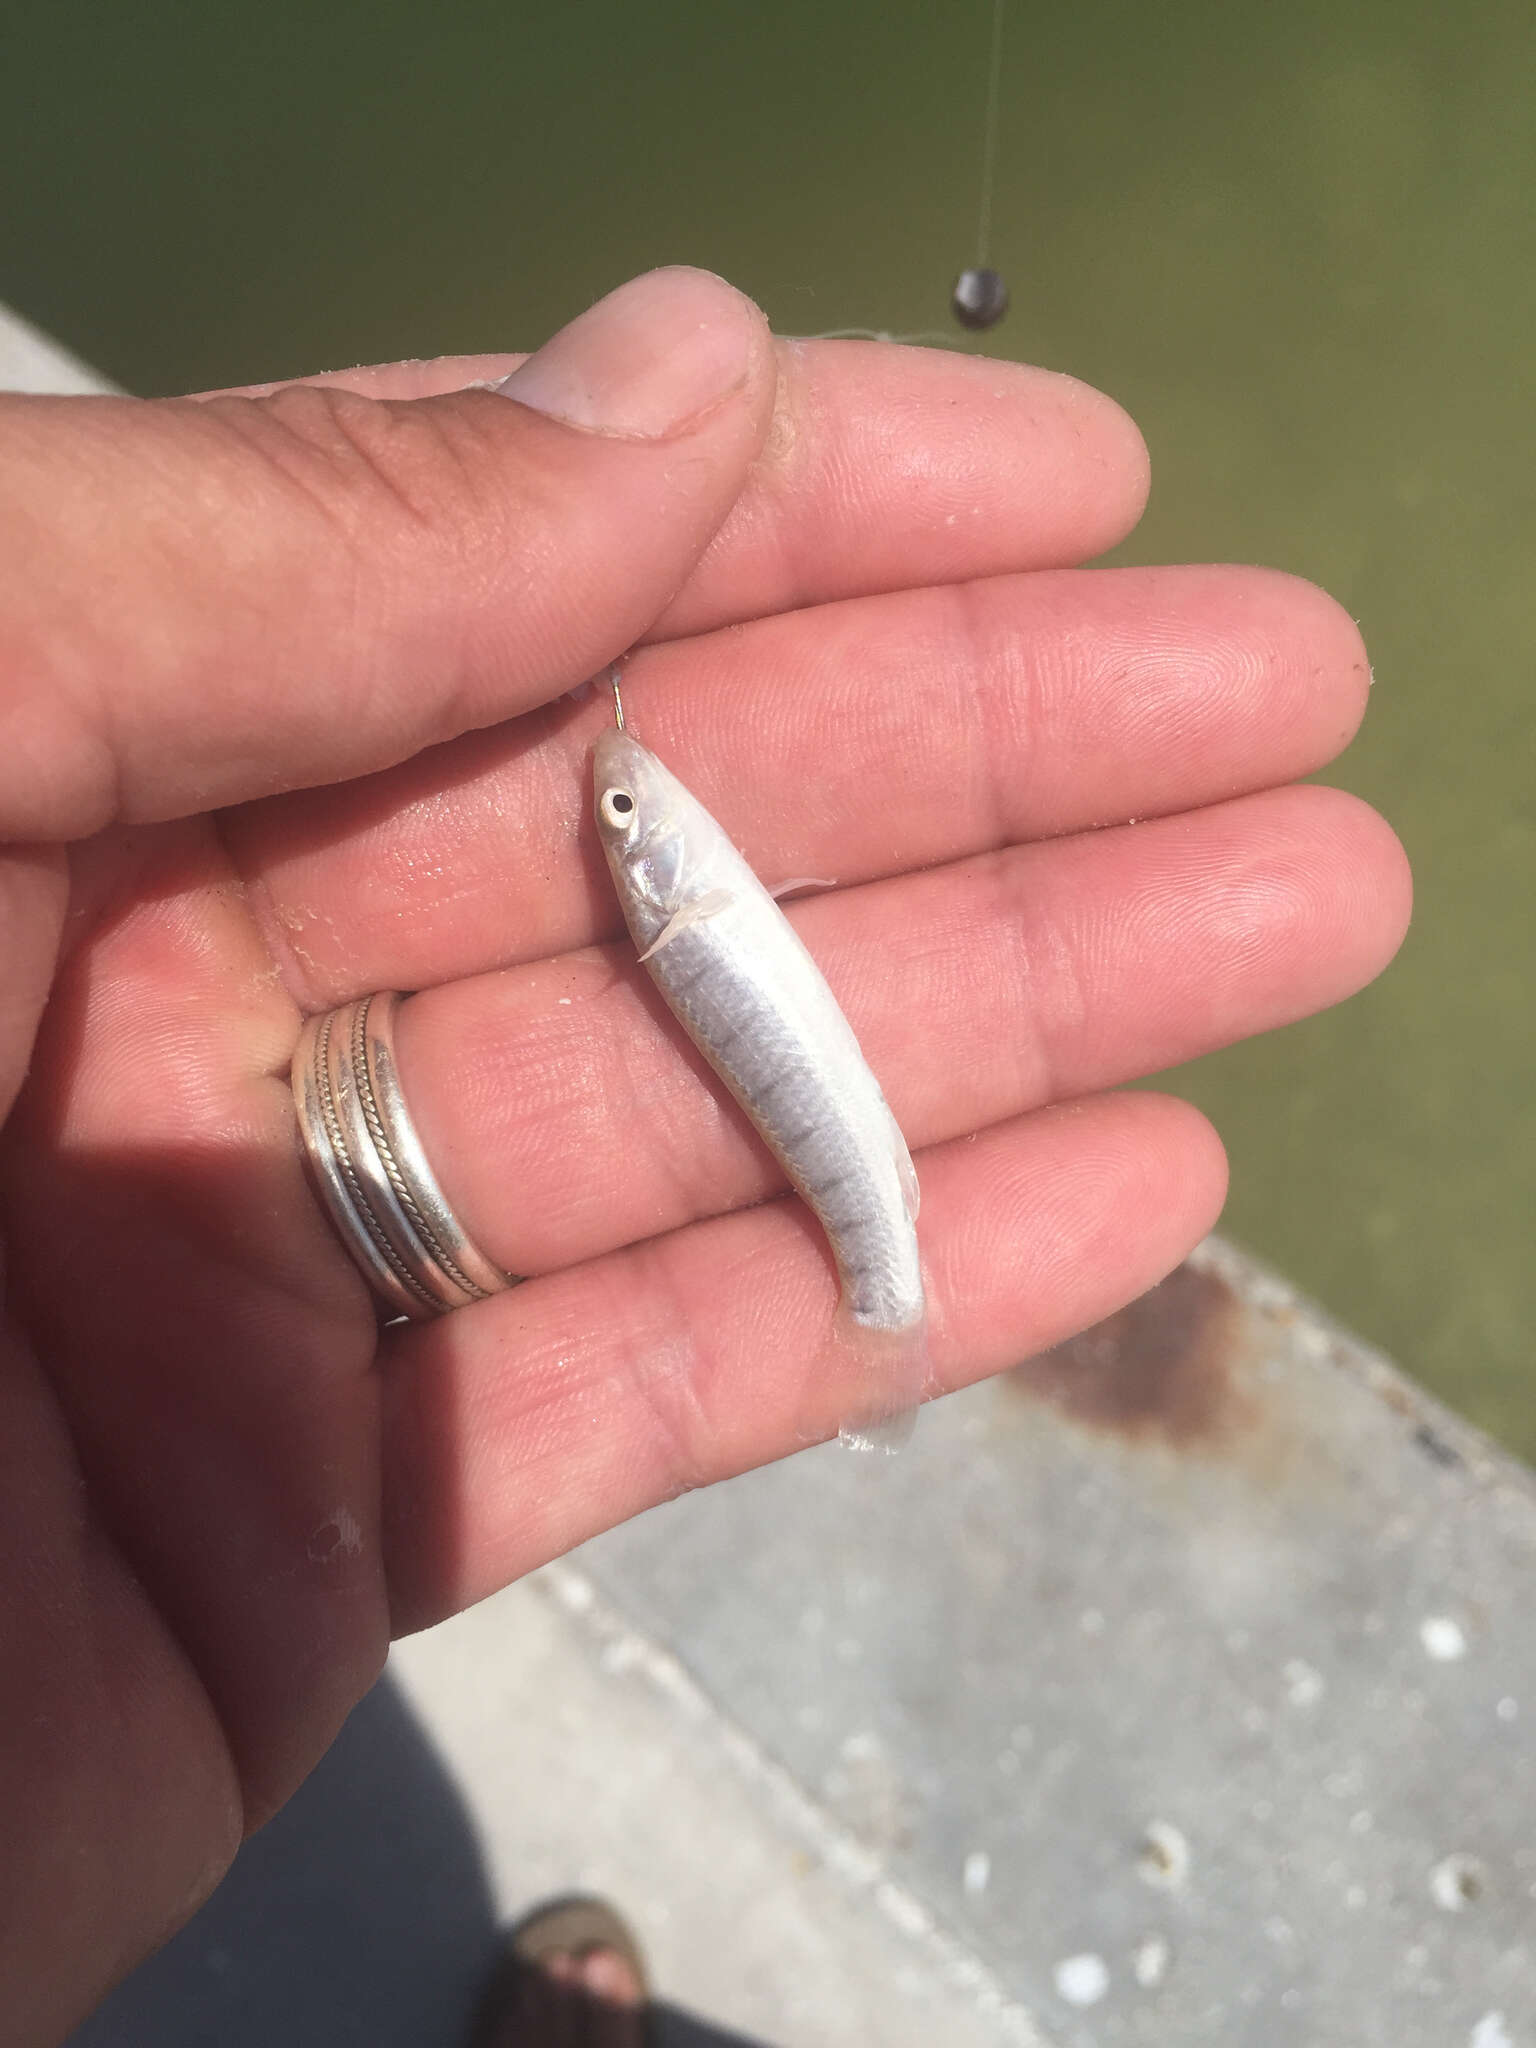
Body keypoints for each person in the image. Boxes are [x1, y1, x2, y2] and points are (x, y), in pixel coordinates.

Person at [0, 267, 1410, 2046]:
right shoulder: (654, 857)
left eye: (623, 814)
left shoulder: (663, 858)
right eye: (624, 819)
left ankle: (879, 1283)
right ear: (644, 855)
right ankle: (879, 1288)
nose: (632, 805)